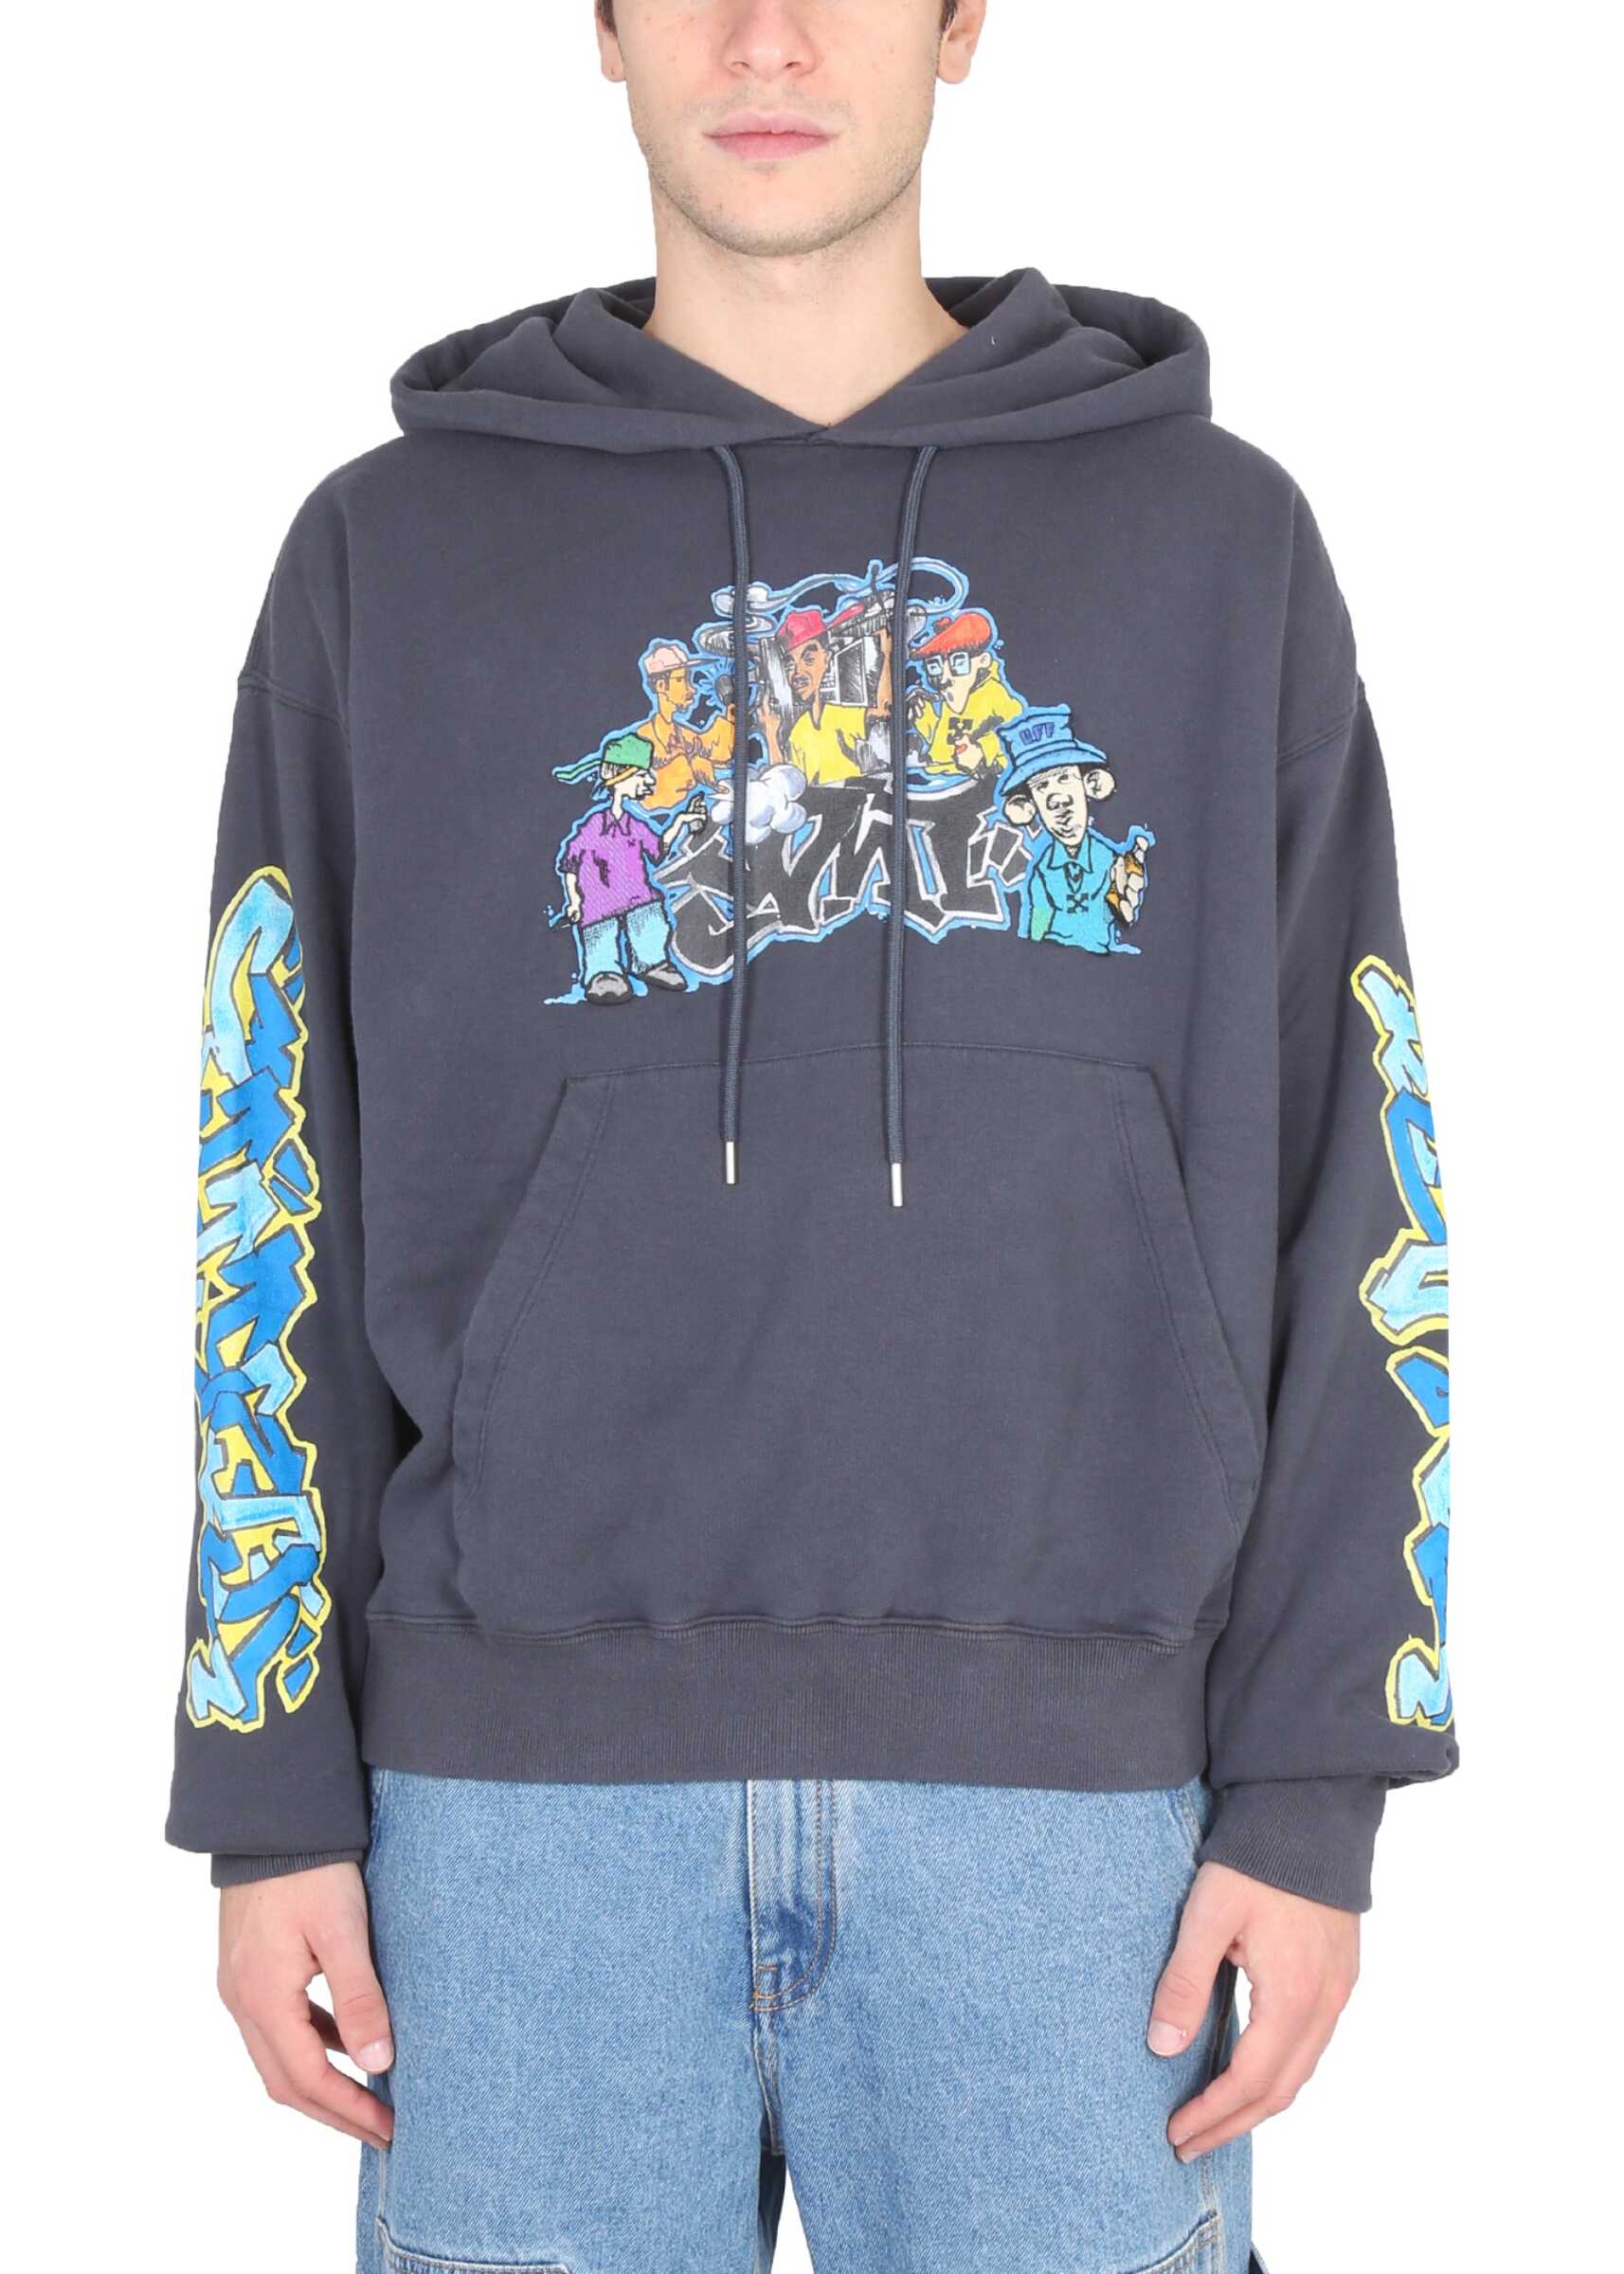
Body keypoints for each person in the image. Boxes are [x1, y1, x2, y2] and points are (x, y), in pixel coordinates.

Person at [168, 4, 1457, 2269]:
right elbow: (272, 1171)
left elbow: (1356, 1174)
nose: (765, 37)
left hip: (1074, 1825)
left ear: (960, 21)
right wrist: (266, 1789)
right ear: (598, 23)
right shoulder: (388, 555)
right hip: (513, 1814)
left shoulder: (1213, 544)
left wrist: (1314, 1777)